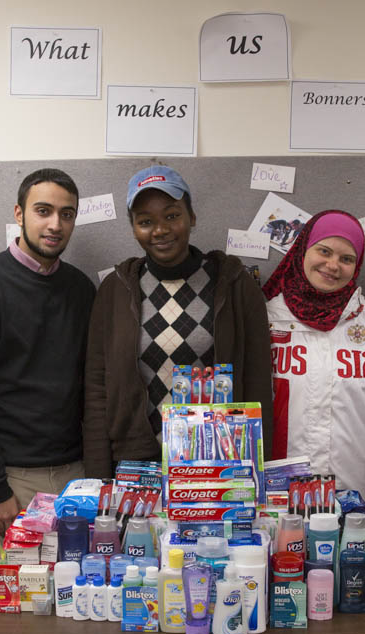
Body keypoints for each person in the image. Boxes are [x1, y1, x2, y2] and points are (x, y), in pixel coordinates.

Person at [83, 165, 273, 479]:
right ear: (133, 229)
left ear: (192, 217)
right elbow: (96, 389)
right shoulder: (115, 290)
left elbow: (257, 385)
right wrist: (97, 477)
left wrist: (256, 472)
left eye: (172, 215)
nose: (160, 230)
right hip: (136, 466)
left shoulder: (236, 285)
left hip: (217, 464)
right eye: (145, 221)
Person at [0, 168, 95, 548]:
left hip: (77, 475)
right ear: (19, 213)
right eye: (43, 211)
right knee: (16, 604)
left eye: (67, 214)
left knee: (78, 594)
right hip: (11, 482)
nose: (55, 224)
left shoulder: (81, 289)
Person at [262, 210, 365, 505]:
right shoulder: (266, 319)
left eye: (346, 258)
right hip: (278, 484)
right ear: (302, 249)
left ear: (356, 265)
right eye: (323, 251)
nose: (333, 265)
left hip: (351, 481)